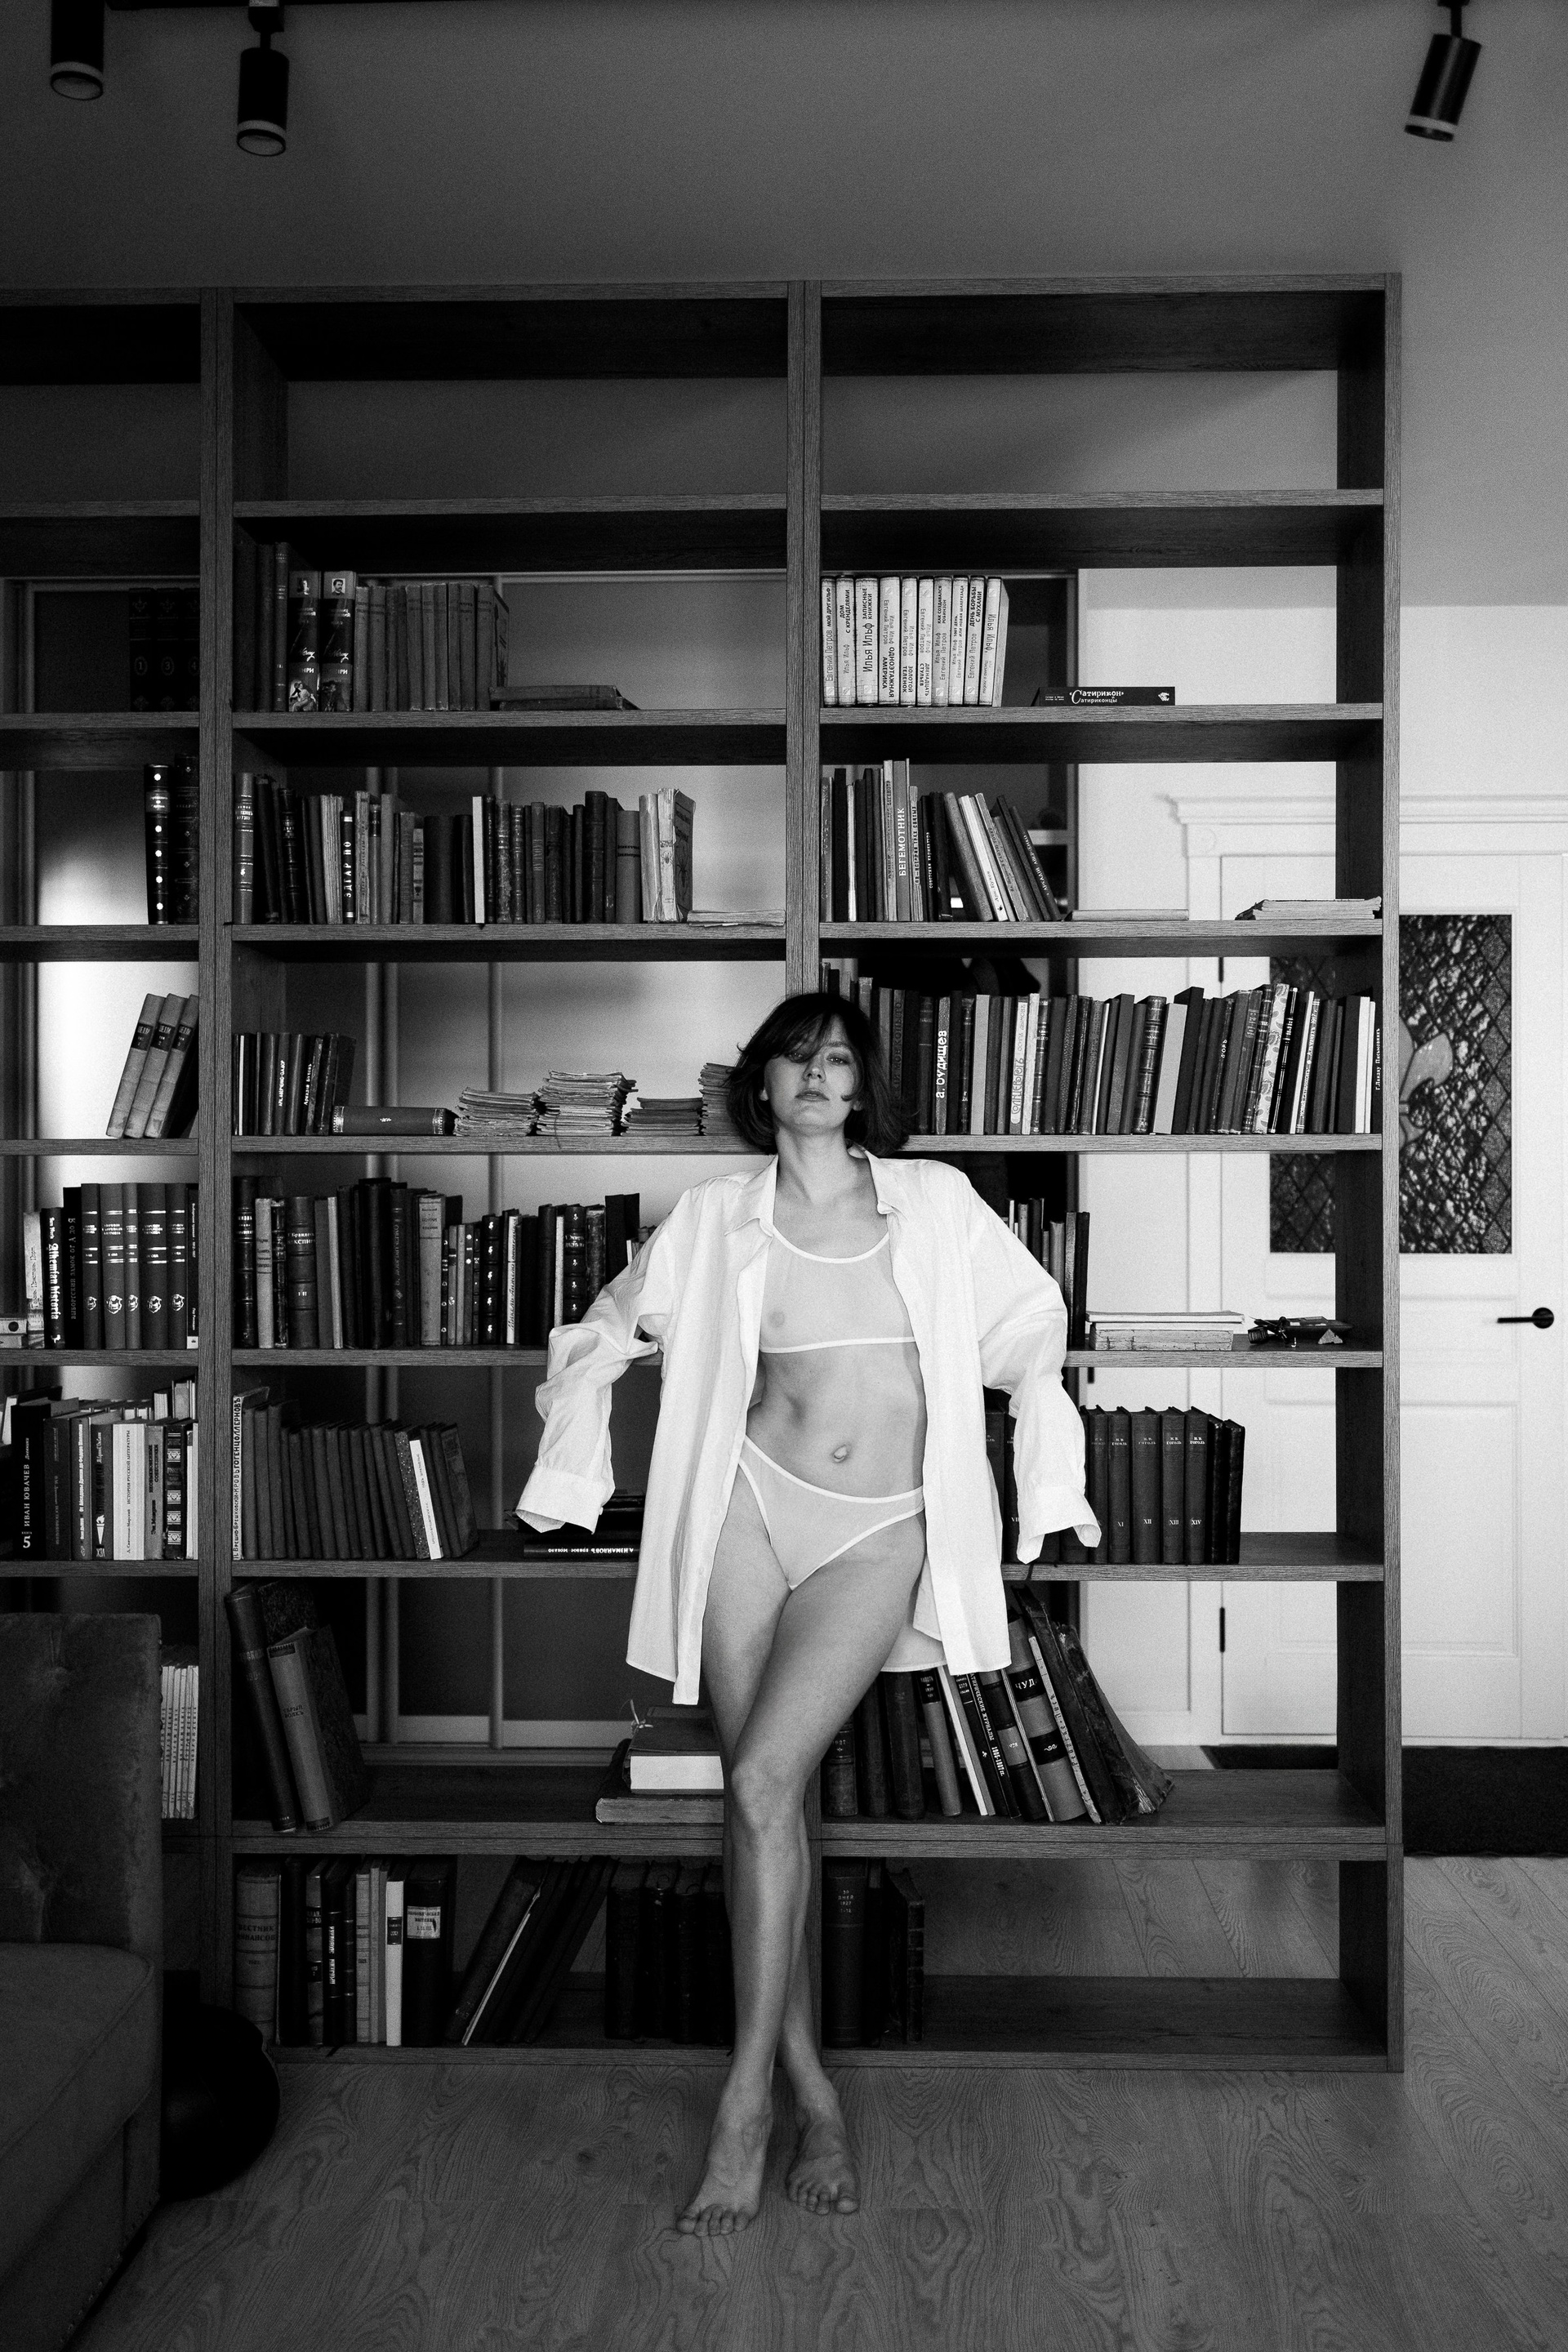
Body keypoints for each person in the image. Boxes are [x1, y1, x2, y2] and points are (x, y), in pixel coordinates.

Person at [516, 992, 1096, 2233]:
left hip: (878, 1526)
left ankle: (748, 2105)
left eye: (838, 1059)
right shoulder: (717, 1216)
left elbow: (1030, 1330)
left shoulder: (934, 1202)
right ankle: (809, 2093)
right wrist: (574, 1451)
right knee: (761, 1800)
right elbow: (615, 1321)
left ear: (860, 1084)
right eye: (796, 1059)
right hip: (744, 1507)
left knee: (763, 1780)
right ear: (765, 1088)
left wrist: (1049, 1474)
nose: (819, 1076)